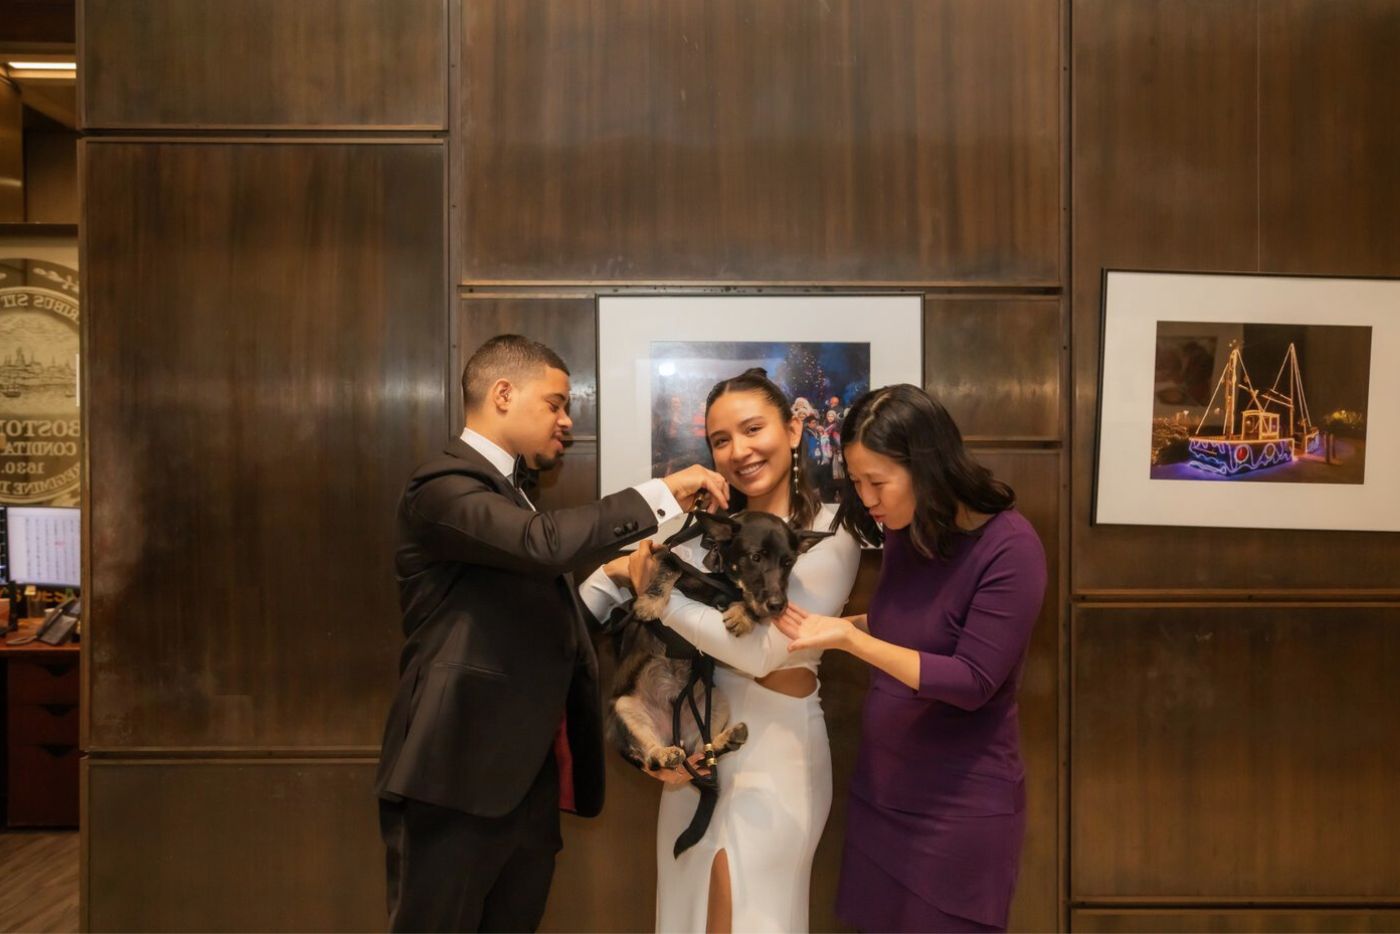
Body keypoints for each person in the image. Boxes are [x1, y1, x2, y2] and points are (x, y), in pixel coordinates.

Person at [374, 335, 729, 932]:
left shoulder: (514, 495)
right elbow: (543, 547)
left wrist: (614, 579)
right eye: (556, 403)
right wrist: (661, 492)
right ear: (503, 394)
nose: (567, 421)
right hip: (453, 776)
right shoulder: (441, 484)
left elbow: (539, 631)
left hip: (523, 787)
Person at [579, 368, 861, 933]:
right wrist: (619, 569)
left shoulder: (828, 535)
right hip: (696, 745)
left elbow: (761, 653)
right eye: (721, 440)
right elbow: (592, 598)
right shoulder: (710, 533)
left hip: (778, 756)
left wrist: (659, 598)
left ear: (794, 429)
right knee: (685, 918)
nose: (739, 451)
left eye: (753, 429)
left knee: (755, 919)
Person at [775, 384, 1047, 933]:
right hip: (883, 791)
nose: (866, 499)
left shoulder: (1010, 547)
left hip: (959, 808)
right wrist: (824, 629)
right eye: (856, 482)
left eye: (877, 482)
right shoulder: (909, 529)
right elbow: (903, 629)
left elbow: (972, 680)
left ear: (927, 466)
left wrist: (850, 640)